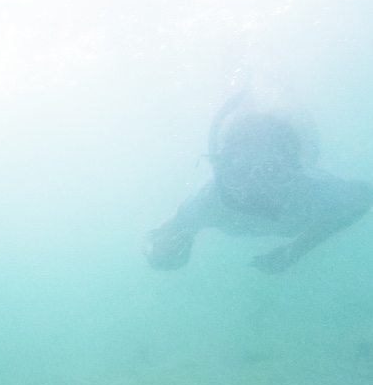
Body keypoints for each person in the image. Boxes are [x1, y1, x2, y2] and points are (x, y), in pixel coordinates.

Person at [145, 86, 373, 273]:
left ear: (295, 171)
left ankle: (276, 79)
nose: (255, 190)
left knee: (281, 89)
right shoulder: (211, 198)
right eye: (239, 173)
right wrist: (162, 250)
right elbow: (165, 233)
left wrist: (296, 250)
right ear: (221, 171)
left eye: (273, 172)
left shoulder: (312, 189)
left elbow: (363, 198)